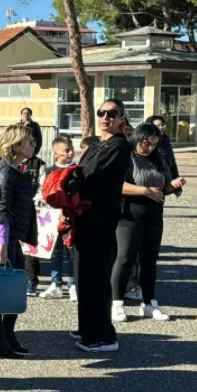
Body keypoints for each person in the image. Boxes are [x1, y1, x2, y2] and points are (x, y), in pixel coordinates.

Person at [70, 99, 132, 353]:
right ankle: (87, 327)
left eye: (112, 113)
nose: (105, 117)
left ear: (121, 119)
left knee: (96, 276)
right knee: (84, 275)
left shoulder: (118, 146)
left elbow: (93, 179)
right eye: (101, 112)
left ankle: (103, 335)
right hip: (85, 218)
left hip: (100, 219)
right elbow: (78, 171)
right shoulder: (97, 144)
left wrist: (72, 184)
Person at [110, 123, 185, 322]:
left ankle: (149, 303)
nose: (150, 147)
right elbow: (116, 185)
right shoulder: (126, 156)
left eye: (154, 143)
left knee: (149, 261)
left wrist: (173, 185)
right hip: (129, 216)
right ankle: (116, 302)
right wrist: (145, 191)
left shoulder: (158, 158)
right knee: (124, 258)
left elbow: (165, 185)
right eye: (147, 142)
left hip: (154, 216)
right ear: (138, 138)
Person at [0, 125, 39, 358]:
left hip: (13, 237)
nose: (33, 145)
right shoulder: (5, 170)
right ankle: (0, 339)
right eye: (29, 142)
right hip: (3, 238)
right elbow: (0, 208)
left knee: (13, 287)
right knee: (1, 289)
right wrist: (2, 243)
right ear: (16, 144)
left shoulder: (15, 169)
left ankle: (7, 336)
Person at [41, 136, 76, 301]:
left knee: (72, 252)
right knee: (55, 252)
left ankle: (73, 284)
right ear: (56, 154)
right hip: (53, 217)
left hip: (72, 217)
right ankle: (56, 283)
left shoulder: (77, 170)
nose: (70, 153)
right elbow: (44, 193)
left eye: (71, 149)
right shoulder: (49, 171)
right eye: (66, 150)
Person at [148, 115, 180, 180]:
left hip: (166, 179)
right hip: (151, 180)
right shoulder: (145, 144)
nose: (161, 127)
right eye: (158, 126)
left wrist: (176, 179)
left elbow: (172, 164)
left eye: (162, 125)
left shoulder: (166, 142)